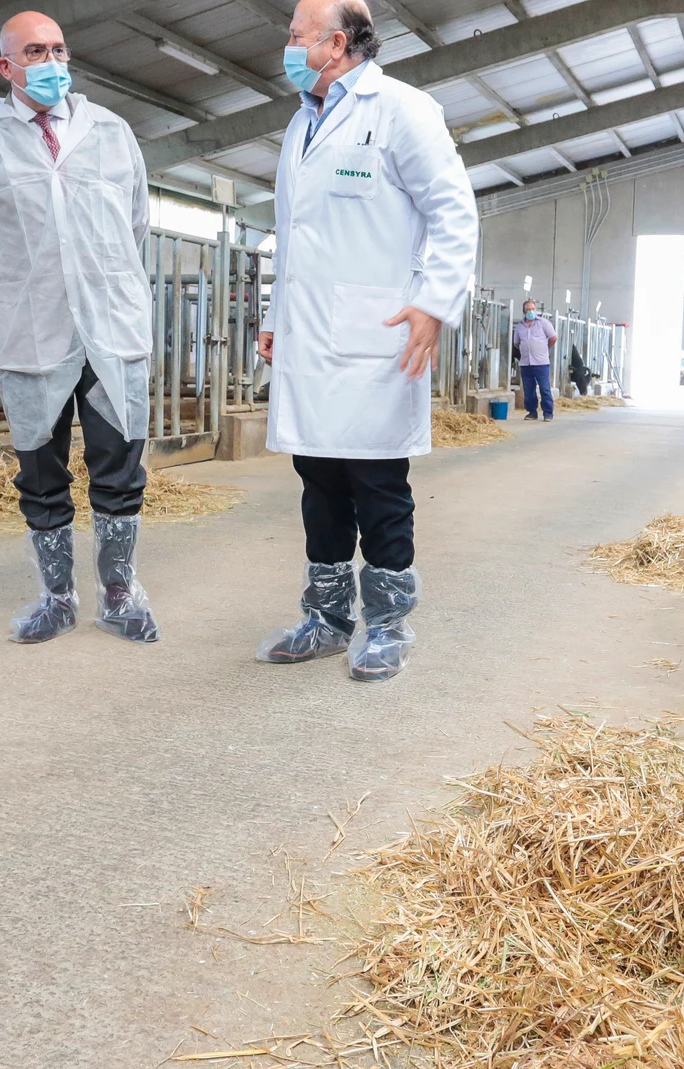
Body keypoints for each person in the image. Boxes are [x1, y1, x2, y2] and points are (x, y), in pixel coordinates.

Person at [254, 0, 478, 681]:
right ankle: (326, 618)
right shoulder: (301, 123)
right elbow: (293, 238)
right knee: (317, 481)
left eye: (297, 34)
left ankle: (387, 624)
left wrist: (434, 305)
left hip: (377, 335)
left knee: (377, 483)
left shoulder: (402, 110)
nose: (289, 44)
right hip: (308, 340)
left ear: (339, 42)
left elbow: (453, 211)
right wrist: (272, 316)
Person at [0, 10, 160, 645]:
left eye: (58, 49)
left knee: (119, 464)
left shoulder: (113, 133)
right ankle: (56, 596)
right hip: (31, 327)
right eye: (35, 52)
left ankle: (119, 592)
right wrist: (28, 284)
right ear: (6, 67)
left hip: (111, 325)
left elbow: (135, 224)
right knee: (40, 468)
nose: (51, 62)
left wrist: (91, 279)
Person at [512, 300, 556, 420]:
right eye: (528, 310)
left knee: (544, 388)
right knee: (528, 389)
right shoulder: (520, 326)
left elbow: (553, 338)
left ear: (536, 310)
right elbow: (516, 343)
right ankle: (532, 412)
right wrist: (526, 348)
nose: (531, 312)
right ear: (524, 311)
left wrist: (543, 348)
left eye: (533, 309)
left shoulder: (543, 323)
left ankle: (548, 413)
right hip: (526, 362)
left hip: (541, 362)